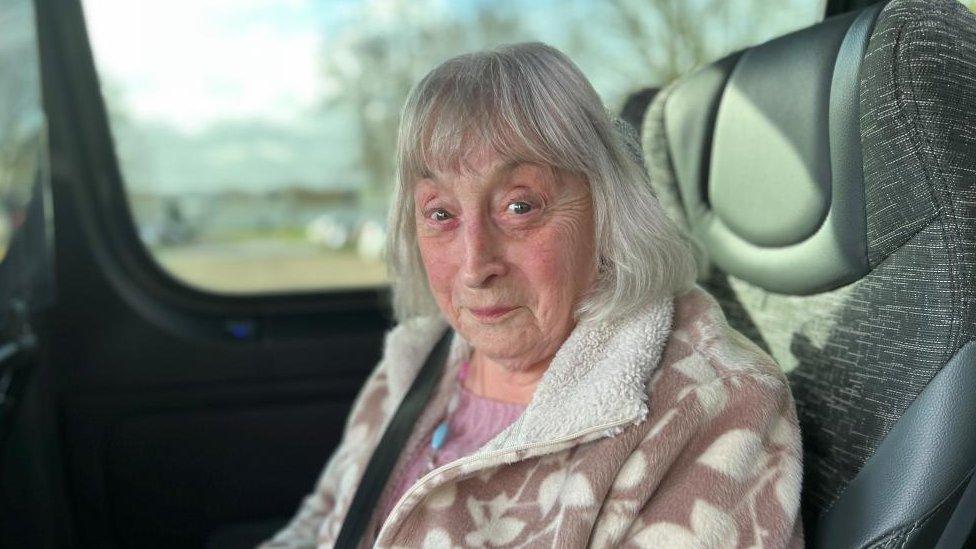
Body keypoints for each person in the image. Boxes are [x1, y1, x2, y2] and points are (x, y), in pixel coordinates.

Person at [262, 42, 803, 548]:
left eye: (520, 207)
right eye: (441, 214)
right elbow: (322, 523)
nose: (475, 267)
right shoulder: (414, 362)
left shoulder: (714, 405)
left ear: (606, 207)